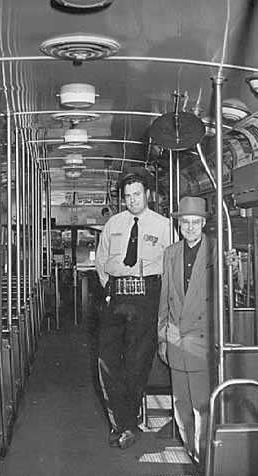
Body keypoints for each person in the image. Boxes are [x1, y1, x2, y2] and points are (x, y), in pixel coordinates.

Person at [95, 168, 172, 449]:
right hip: (116, 296)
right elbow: (102, 262)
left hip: (147, 296)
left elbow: (172, 264)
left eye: (137, 194)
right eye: (127, 196)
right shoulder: (113, 224)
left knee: (137, 363)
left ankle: (126, 423)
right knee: (107, 360)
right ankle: (122, 422)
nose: (132, 200)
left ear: (148, 194)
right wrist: (109, 290)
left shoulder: (163, 226)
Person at [157, 196, 216, 469]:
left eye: (195, 222)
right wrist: (161, 336)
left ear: (203, 224)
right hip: (175, 339)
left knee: (202, 406)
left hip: (202, 341)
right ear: (179, 224)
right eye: (185, 222)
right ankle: (192, 452)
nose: (190, 227)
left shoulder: (216, 251)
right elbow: (165, 297)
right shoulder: (170, 253)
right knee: (181, 406)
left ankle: (205, 459)